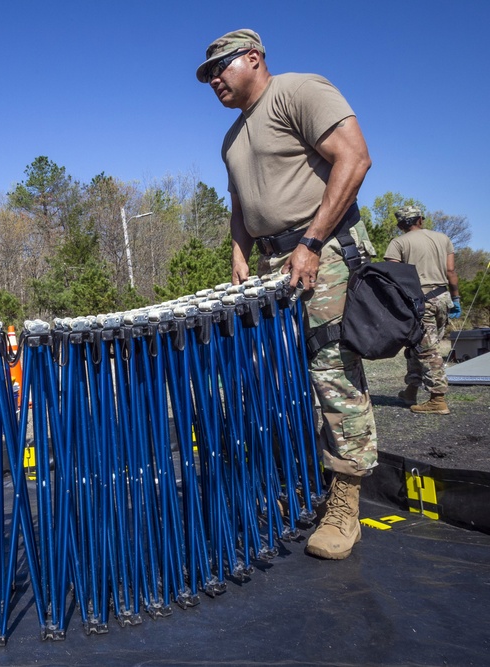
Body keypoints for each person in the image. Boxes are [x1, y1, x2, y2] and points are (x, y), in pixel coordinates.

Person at [197, 29, 377, 560]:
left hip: (323, 249)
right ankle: (305, 486)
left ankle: (345, 502)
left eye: (219, 68)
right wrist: (238, 256)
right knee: (281, 377)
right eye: (206, 76)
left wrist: (313, 241)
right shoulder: (231, 138)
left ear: (253, 58)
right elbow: (240, 206)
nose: (213, 81)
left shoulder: (299, 91)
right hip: (274, 264)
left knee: (332, 371)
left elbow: (354, 158)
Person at [386, 205, 460, 414]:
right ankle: (411, 390)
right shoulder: (443, 238)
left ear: (401, 224)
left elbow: (392, 276)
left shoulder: (398, 243)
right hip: (442, 297)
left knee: (426, 349)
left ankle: (437, 399)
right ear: (420, 220)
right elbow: (451, 271)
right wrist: (456, 298)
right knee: (419, 344)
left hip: (418, 301)